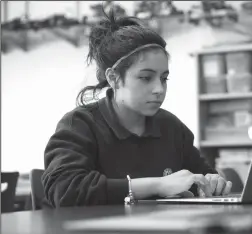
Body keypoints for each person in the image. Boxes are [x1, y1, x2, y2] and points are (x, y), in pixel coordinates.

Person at [42, 7, 232, 208]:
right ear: (113, 78)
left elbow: (200, 175)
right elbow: (65, 190)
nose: (159, 89)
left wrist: (211, 182)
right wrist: (157, 185)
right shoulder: (79, 124)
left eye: (163, 78)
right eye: (145, 78)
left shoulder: (171, 127)